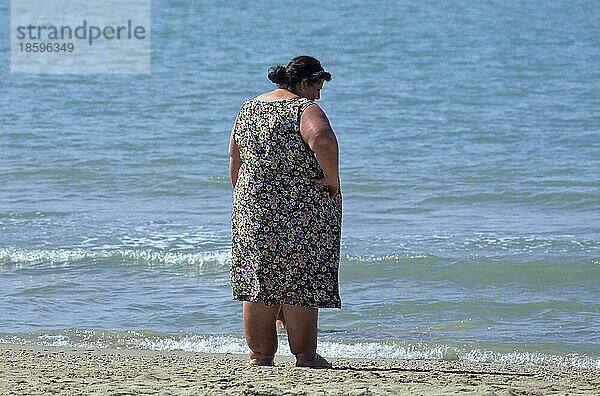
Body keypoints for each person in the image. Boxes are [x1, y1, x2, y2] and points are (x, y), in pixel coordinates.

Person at [228, 56, 342, 368]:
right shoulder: (304, 108)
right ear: (304, 83)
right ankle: (305, 355)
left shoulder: (250, 107)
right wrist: (331, 179)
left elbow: (234, 155)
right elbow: (321, 137)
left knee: (258, 280)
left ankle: (260, 355)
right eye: (317, 87)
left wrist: (244, 196)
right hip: (297, 210)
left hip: (252, 207)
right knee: (299, 277)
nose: (318, 95)